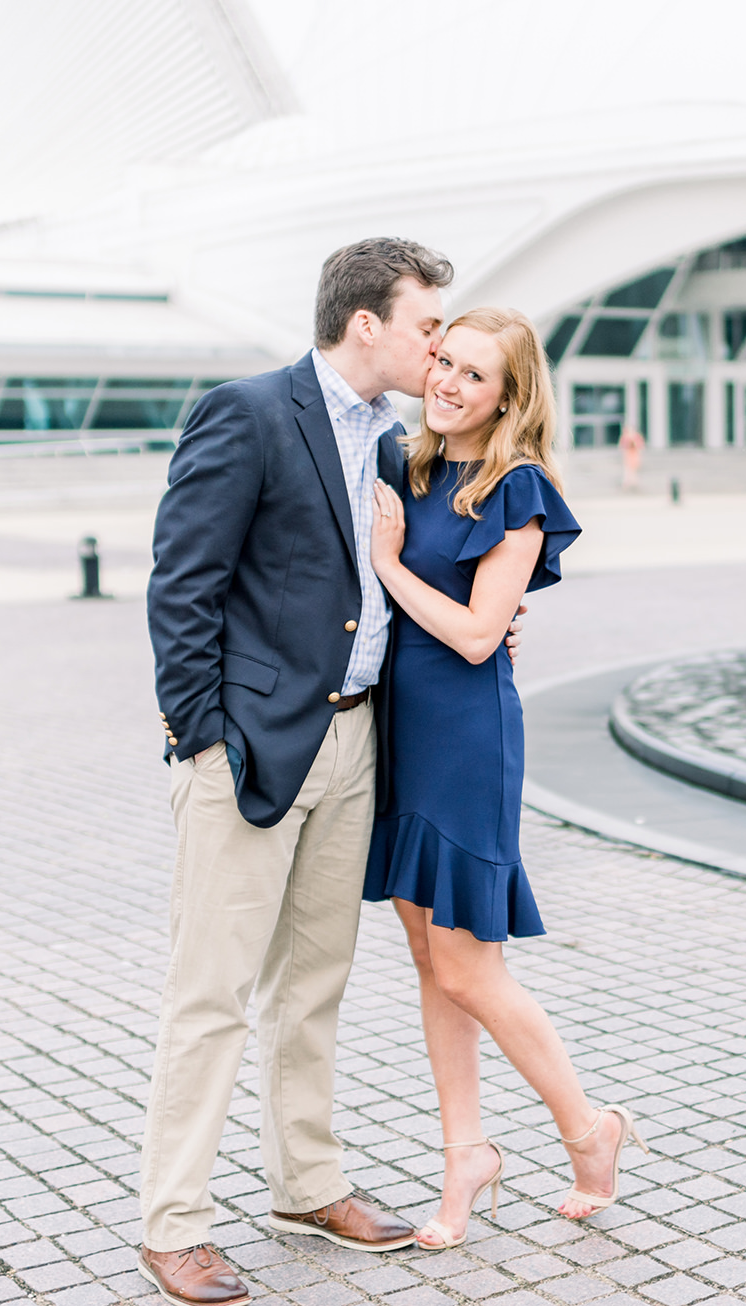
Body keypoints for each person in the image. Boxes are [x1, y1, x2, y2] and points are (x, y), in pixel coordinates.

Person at [139, 239, 514, 1306]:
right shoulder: (248, 412)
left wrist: (495, 625)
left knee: (313, 988)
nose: (439, 346)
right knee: (210, 995)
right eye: (427, 325)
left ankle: (308, 1184)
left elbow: (393, 585)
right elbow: (183, 585)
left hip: (355, 746)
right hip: (250, 750)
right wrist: (201, 734)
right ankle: (174, 1222)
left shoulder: (397, 444)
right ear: (367, 324)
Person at [363, 308, 644, 1251]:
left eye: (473, 375)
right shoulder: (410, 463)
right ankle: (465, 1154)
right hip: (396, 736)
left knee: (469, 967)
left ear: (509, 396)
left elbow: (481, 634)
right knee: (429, 963)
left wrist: (390, 564)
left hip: (464, 743)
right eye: (443, 362)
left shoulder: (516, 487)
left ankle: (588, 1129)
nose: (446, 382)